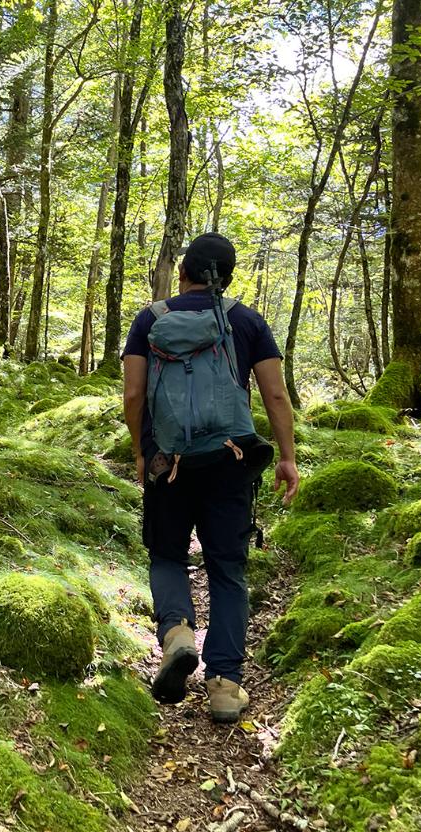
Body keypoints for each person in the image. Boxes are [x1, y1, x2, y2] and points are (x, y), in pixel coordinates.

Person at [121, 232, 299, 723]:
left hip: (168, 460)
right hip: (232, 459)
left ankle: (177, 631)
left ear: (183, 272)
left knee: (167, 554)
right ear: (230, 275)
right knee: (227, 568)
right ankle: (224, 684)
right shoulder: (245, 320)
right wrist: (286, 456)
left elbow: (133, 396)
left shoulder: (150, 320)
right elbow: (276, 397)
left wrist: (141, 452)